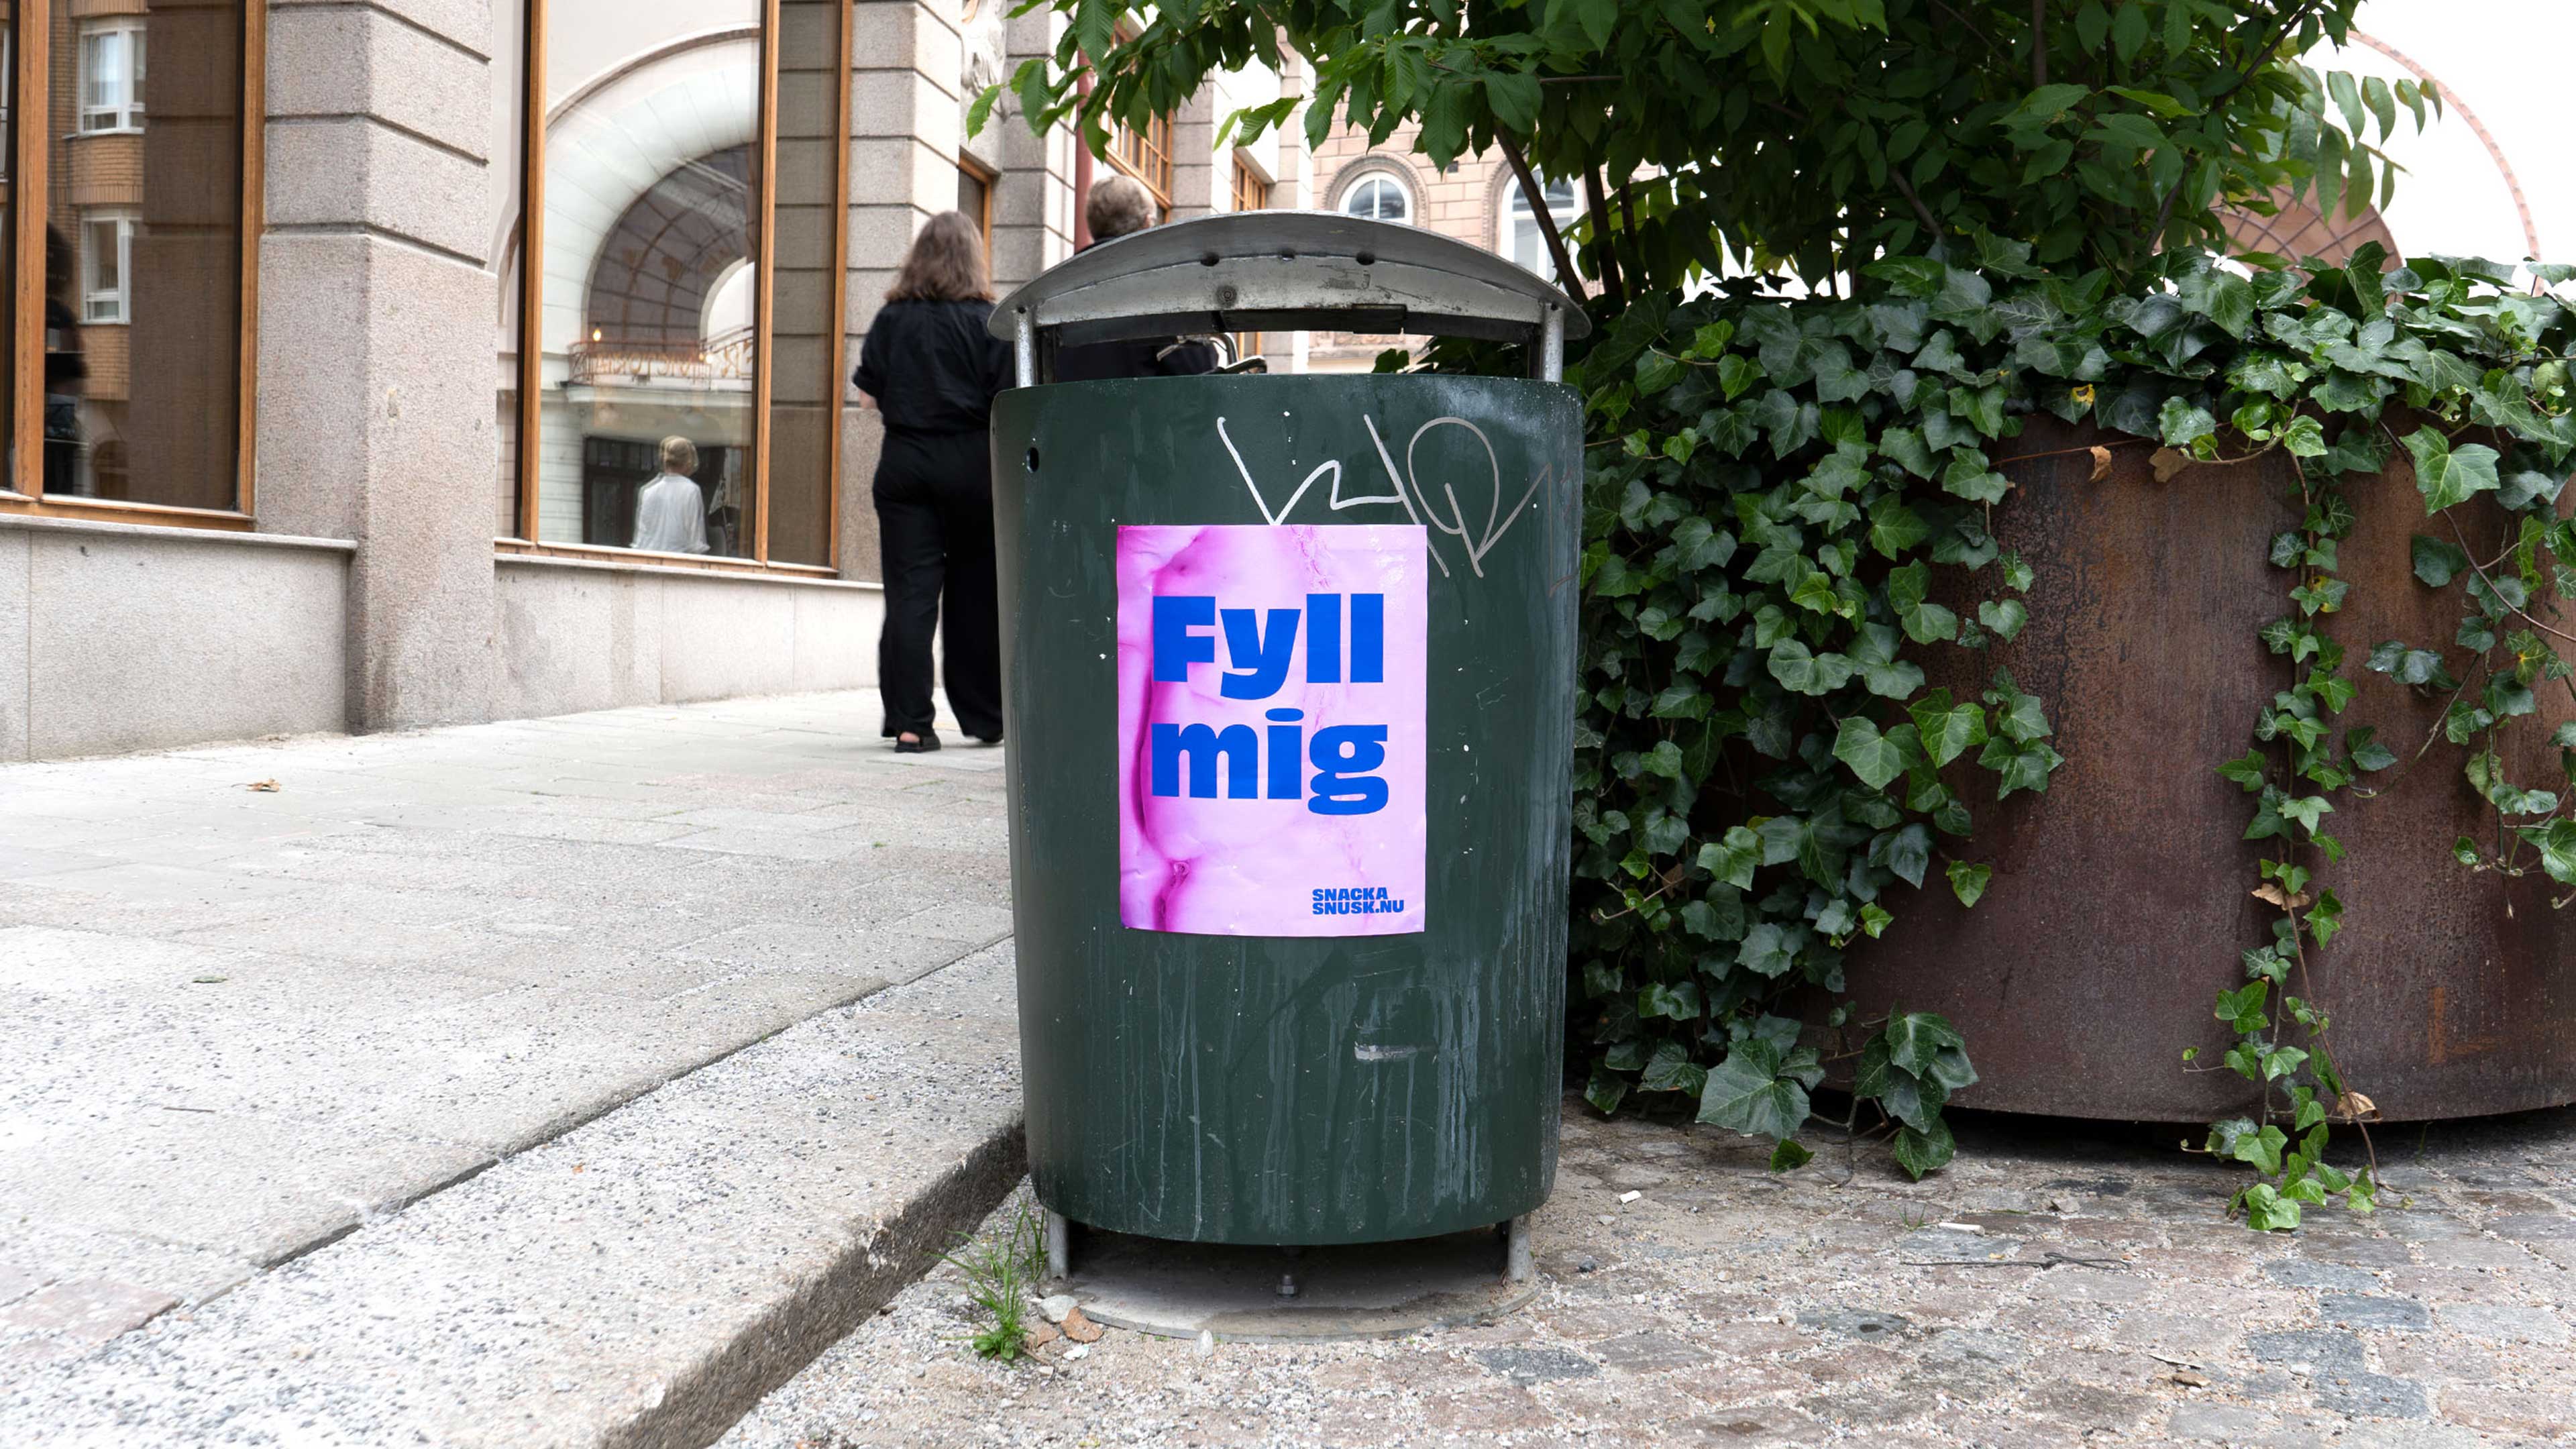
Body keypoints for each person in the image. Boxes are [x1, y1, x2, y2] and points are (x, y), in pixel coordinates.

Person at [855, 210, 1012, 753]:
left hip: (905, 463)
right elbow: (1007, 405)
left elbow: (867, 396)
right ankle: (985, 717)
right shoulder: (989, 322)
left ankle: (910, 722)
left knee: (910, 596)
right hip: (973, 467)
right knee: (975, 597)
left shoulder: (892, 319)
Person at [1051, 174, 1223, 383]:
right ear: (1147, 223)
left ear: (1092, 224)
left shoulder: (1053, 289)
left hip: (1063, 414)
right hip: (1141, 414)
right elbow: (1200, 371)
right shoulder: (1160, 289)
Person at [629, 435, 710, 554]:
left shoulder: (648, 490)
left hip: (648, 560)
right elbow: (695, 540)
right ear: (689, 462)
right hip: (677, 561)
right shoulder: (691, 490)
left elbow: (641, 537)